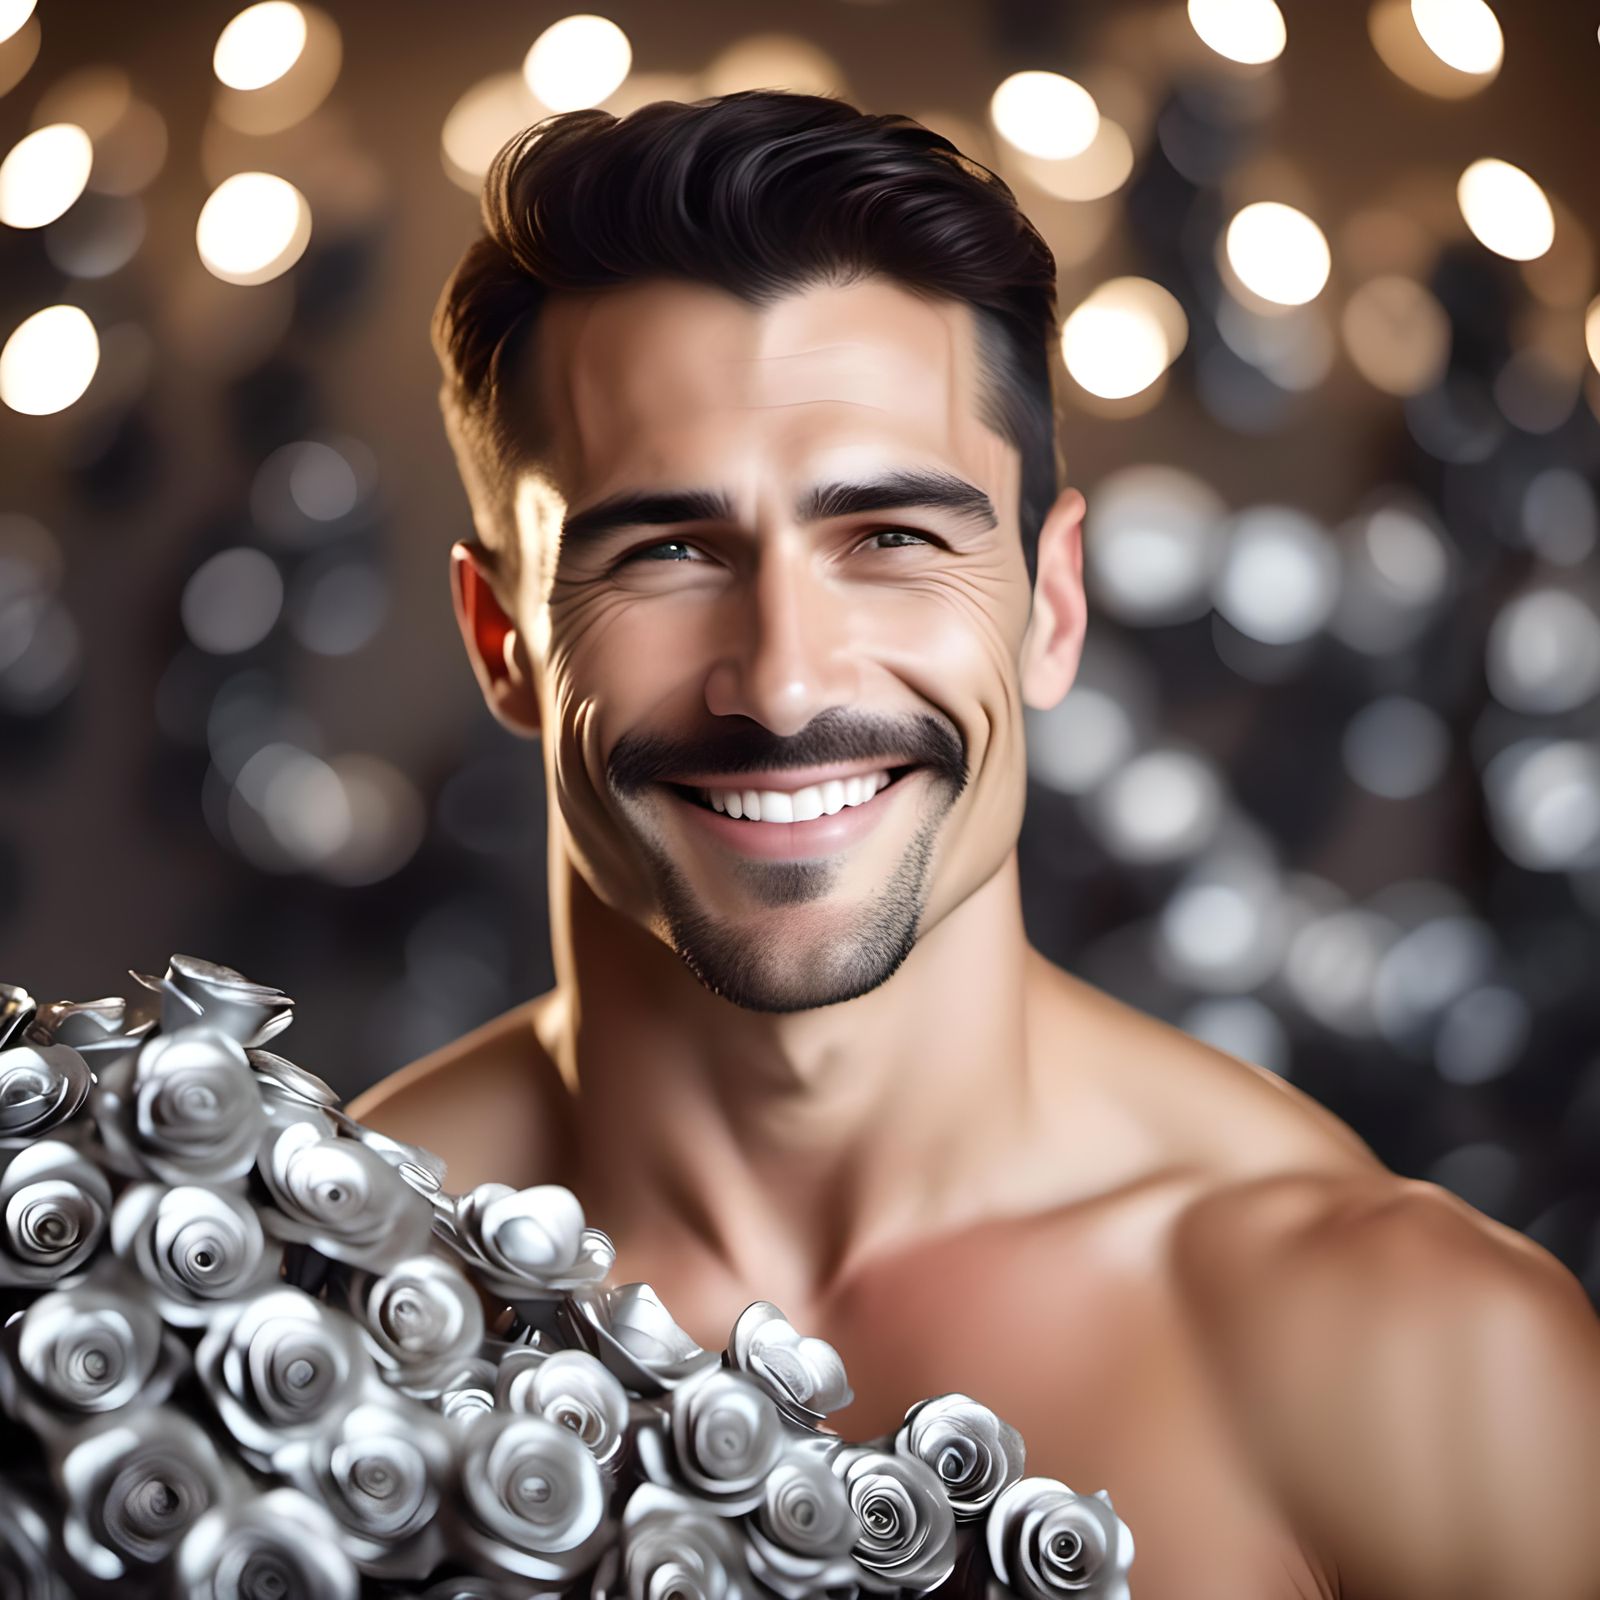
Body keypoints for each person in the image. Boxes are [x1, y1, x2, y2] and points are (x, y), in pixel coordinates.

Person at [347, 90, 1600, 1599]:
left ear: (1051, 606)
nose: (789, 680)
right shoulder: (299, 1296)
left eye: (892, 537)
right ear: (505, 641)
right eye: (667, 550)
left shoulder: (1417, 1360)